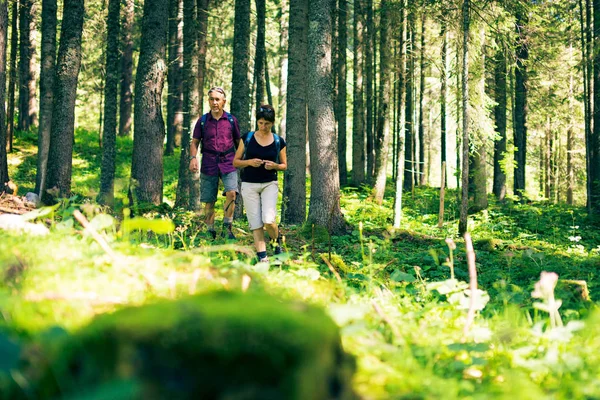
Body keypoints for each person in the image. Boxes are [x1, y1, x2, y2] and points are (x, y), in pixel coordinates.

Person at [233, 105, 287, 262]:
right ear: (257, 121)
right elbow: (236, 162)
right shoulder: (247, 138)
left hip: (269, 183)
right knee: (256, 224)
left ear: (272, 123)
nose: (263, 126)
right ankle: (263, 258)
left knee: (269, 220)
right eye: (261, 123)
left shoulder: (278, 141)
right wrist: (249, 162)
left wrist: (275, 166)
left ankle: (277, 244)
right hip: (249, 185)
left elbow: (284, 165)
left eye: (267, 124)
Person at [189, 86, 241, 240]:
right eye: (211, 99)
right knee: (209, 200)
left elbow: (239, 142)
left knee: (232, 193)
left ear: (224, 101)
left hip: (229, 162)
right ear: (208, 101)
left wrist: (242, 161)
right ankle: (210, 230)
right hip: (209, 162)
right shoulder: (203, 121)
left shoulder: (231, 120)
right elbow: (195, 142)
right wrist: (193, 159)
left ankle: (227, 228)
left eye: (217, 99)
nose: (214, 102)